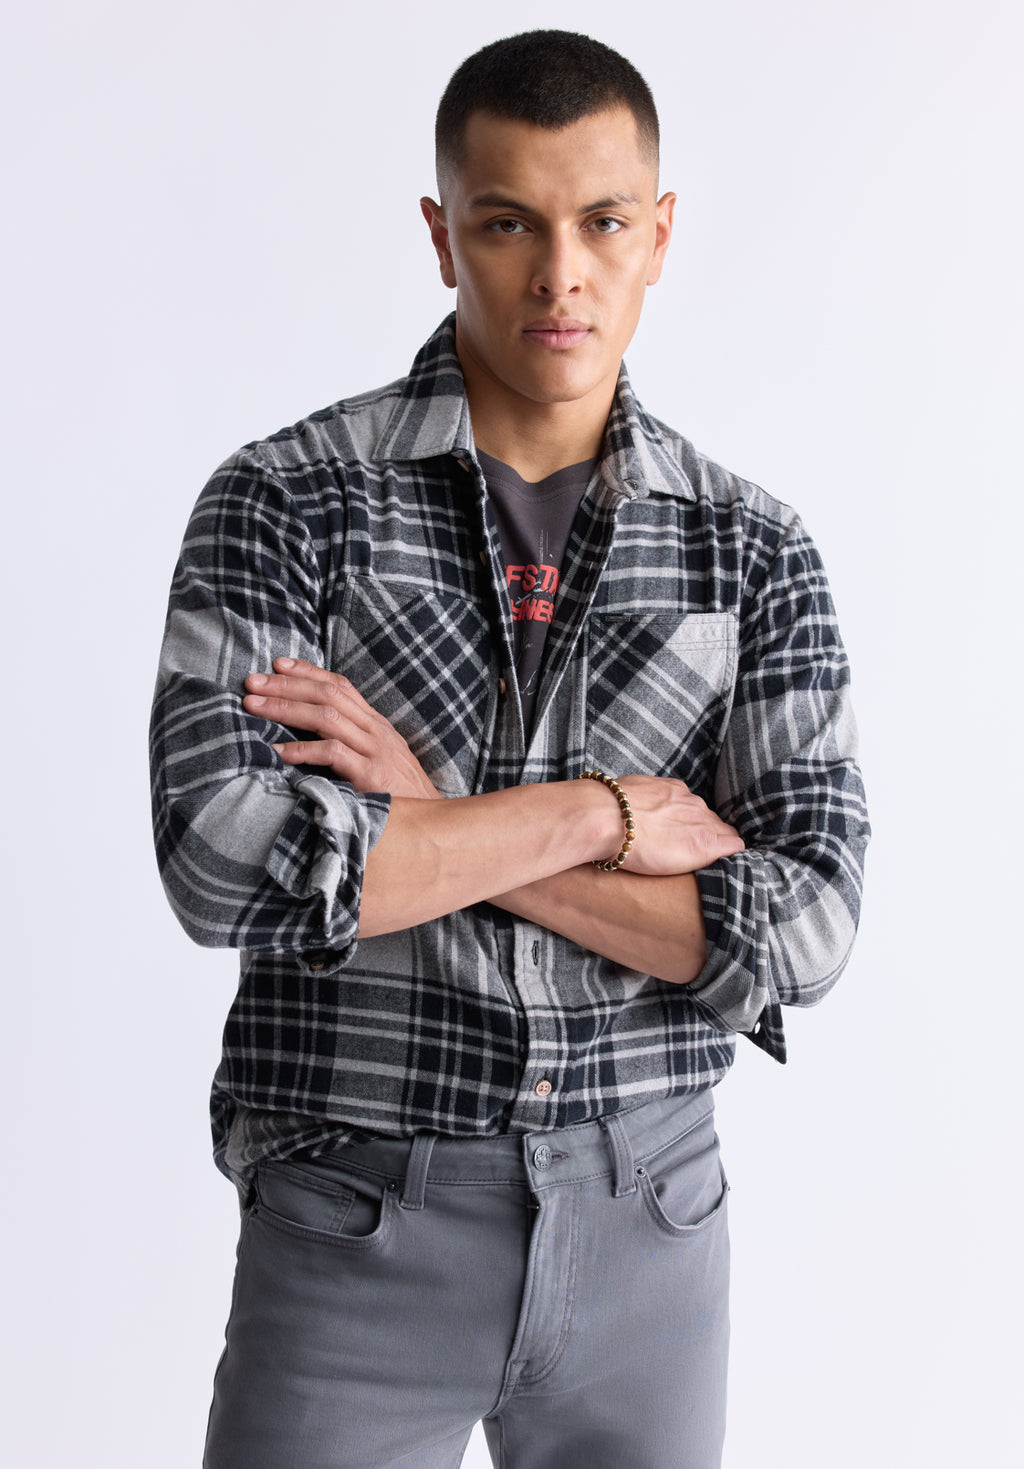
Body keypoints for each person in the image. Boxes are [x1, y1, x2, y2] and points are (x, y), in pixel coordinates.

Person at [151, 29, 869, 1469]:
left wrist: (426, 815)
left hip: (650, 1218)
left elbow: (808, 928)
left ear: (659, 234)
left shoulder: (751, 548)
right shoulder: (287, 503)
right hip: (354, 1215)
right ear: (441, 236)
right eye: (507, 224)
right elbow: (223, 865)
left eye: (602, 221)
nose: (561, 276)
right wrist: (607, 814)